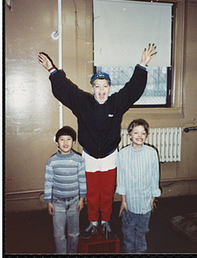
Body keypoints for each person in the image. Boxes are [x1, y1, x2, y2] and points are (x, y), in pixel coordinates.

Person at [38, 43, 157, 240]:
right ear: (92, 89)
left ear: (109, 88)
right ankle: (93, 223)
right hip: (90, 156)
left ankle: (107, 223)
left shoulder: (117, 103)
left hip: (110, 156)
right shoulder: (82, 103)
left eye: (105, 86)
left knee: (107, 192)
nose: (101, 90)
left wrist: (143, 64)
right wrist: (52, 69)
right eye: (97, 86)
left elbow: (133, 90)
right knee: (92, 193)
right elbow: (64, 90)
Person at [116, 119, 161, 253]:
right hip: (129, 202)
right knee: (128, 231)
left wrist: (153, 198)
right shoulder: (123, 154)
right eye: (136, 132)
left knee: (142, 231)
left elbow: (155, 176)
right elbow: (121, 178)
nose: (139, 135)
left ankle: (141, 251)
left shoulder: (152, 153)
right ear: (129, 135)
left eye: (143, 133)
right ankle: (129, 251)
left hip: (145, 201)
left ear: (146, 135)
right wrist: (123, 201)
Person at [44, 126, 87, 254]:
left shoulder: (79, 160)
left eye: (68, 139)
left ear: (73, 142)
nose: (65, 142)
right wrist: (48, 201)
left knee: (74, 232)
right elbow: (48, 182)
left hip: (74, 202)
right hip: (57, 202)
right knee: (58, 234)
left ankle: (73, 252)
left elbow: (82, 180)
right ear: (57, 143)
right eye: (62, 139)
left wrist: (82, 199)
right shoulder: (52, 162)